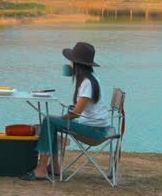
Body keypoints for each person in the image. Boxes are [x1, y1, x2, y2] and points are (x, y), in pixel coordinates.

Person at [21, 41, 111, 181]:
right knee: (52, 122)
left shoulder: (87, 83)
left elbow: (76, 114)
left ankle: (41, 169)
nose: (69, 64)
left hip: (95, 131)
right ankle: (54, 167)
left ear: (76, 64)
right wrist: (61, 118)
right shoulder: (92, 79)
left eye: (71, 61)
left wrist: (60, 119)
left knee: (49, 121)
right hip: (97, 126)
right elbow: (80, 109)